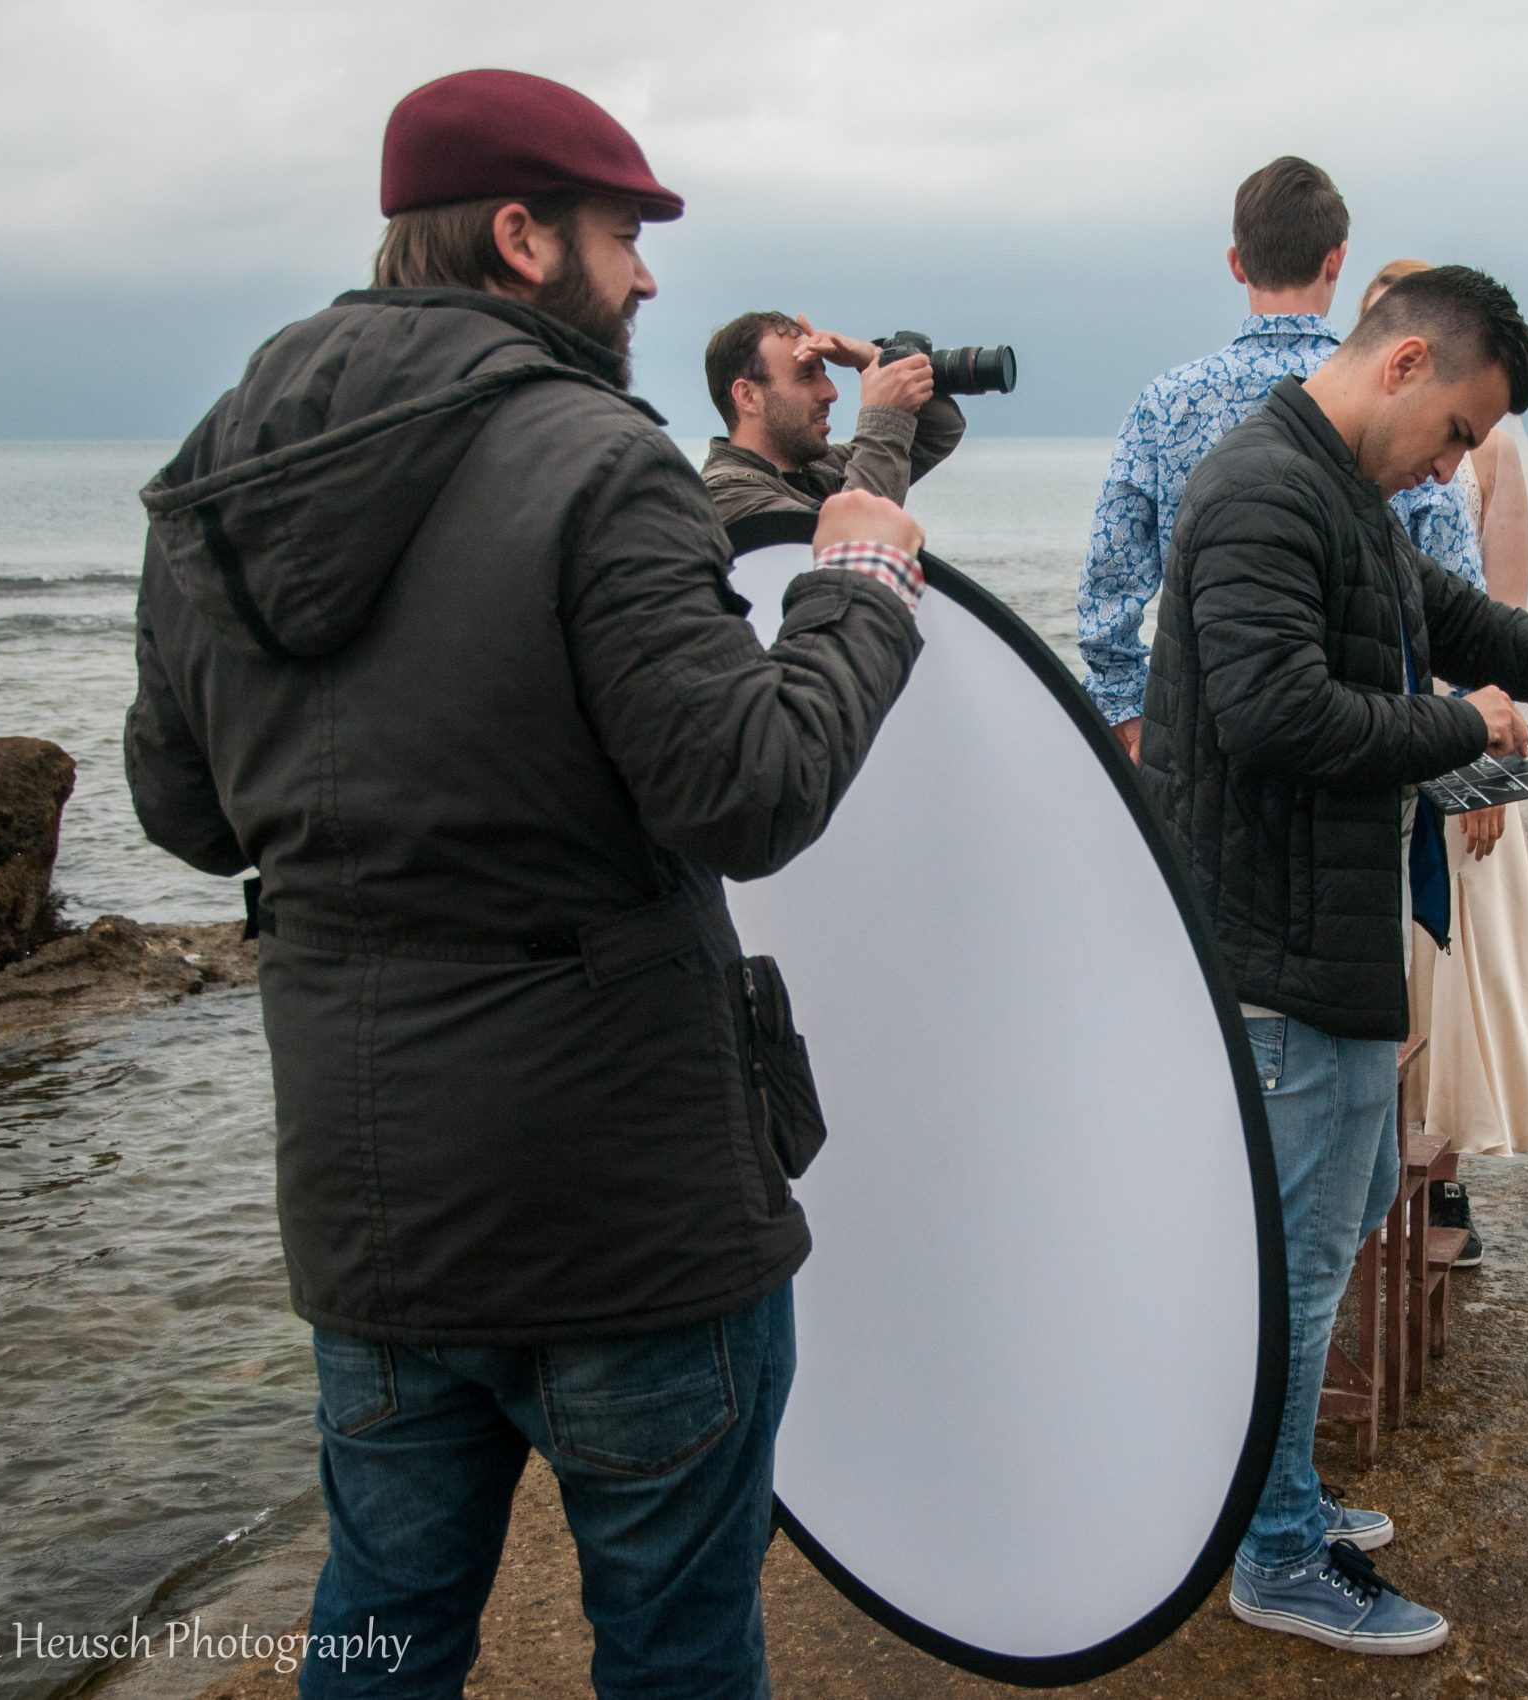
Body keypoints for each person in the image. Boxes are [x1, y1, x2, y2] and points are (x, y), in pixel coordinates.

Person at [122, 69, 926, 1700]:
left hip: (373, 1202)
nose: (645, 278)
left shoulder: (223, 468)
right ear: (518, 235)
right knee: (676, 1658)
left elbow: (185, 811)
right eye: (624, 238)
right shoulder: (597, 457)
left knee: (382, 1634)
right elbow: (751, 789)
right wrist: (859, 583)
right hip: (625, 1213)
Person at [1139, 266, 1528, 1656]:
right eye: (1461, 431)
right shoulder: (1261, 491)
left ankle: (1276, 1492)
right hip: (1274, 953)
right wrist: (1464, 728)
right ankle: (1276, 1552)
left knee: (1345, 1214)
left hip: (1331, 931)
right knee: (1299, 1271)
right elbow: (1273, 713)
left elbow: (1453, 620)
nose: (1457, 464)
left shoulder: (1339, 488)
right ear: (1407, 363)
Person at [1078, 155, 1484, 758]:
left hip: (1200, 737)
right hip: (1367, 738)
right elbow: (1453, 583)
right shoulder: (1396, 401)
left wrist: (1132, 712)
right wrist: (1467, 722)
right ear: (1337, 259)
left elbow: (1108, 582)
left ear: (1237, 263)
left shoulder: (1165, 404)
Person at [1361, 261, 1528, 1268]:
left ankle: (1441, 1164)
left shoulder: (1482, 446)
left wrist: (1479, 774)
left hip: (1464, 736)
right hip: (1391, 735)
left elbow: (1495, 614)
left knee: (1451, 970)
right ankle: (1377, 1164)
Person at [699, 309, 966, 525]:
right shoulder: (726, 495)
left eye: (824, 374)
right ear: (747, 396)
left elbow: (939, 430)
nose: (831, 392)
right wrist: (883, 414)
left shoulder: (818, 469)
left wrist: (873, 359)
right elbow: (850, 545)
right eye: (806, 376)